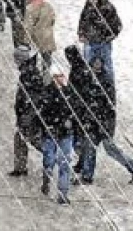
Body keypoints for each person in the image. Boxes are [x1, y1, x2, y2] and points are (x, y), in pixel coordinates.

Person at [67, 47, 133, 185]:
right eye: (94, 64)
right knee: (90, 146)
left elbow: (109, 105)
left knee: (109, 149)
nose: (96, 67)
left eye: (98, 64)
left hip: (103, 121)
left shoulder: (105, 81)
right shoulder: (88, 78)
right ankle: (87, 175)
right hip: (93, 120)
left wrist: (105, 122)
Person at [39, 63, 76, 204]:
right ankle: (46, 180)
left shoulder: (69, 93)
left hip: (64, 133)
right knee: (49, 161)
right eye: (59, 76)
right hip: (52, 133)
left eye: (62, 75)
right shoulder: (47, 93)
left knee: (64, 164)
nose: (62, 78)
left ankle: (63, 194)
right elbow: (42, 114)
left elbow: (74, 111)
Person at [8, 45, 46, 177]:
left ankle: (56, 157)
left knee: (34, 140)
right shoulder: (27, 72)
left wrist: (29, 114)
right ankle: (20, 167)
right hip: (26, 113)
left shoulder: (30, 74)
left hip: (29, 115)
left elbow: (36, 96)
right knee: (21, 139)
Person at [77, 0, 121, 85]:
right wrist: (81, 33)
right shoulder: (88, 5)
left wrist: (110, 35)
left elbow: (117, 25)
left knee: (106, 67)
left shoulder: (108, 7)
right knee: (88, 66)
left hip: (103, 42)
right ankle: (88, 87)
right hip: (89, 41)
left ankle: (109, 88)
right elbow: (82, 20)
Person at [22, 0, 55, 65]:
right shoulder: (48, 6)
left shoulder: (30, 8)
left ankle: (39, 76)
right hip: (46, 38)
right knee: (46, 62)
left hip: (36, 39)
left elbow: (28, 26)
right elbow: (53, 20)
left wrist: (26, 41)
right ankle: (45, 75)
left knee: (34, 62)